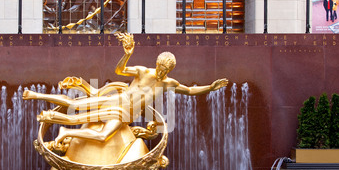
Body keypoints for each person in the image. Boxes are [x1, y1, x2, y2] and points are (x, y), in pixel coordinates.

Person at [23, 33, 228, 145]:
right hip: (117, 100)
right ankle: (36, 95)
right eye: (159, 66)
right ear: (156, 64)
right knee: (76, 105)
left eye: (164, 69)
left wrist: (210, 87)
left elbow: (190, 91)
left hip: (126, 114)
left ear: (169, 69)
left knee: (103, 136)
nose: (159, 71)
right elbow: (119, 69)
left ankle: (64, 131)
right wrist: (127, 54)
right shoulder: (142, 71)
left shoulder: (169, 83)